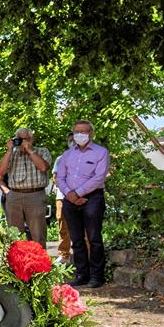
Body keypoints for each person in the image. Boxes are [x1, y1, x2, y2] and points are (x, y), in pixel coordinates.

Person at [55, 120, 110, 288]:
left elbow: (99, 177)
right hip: (69, 199)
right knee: (76, 240)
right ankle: (81, 274)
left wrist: (78, 193)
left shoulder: (101, 152)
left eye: (83, 131)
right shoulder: (67, 155)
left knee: (94, 238)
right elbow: (59, 177)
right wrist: (70, 194)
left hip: (92, 198)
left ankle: (96, 276)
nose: (79, 134)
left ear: (90, 134)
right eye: (76, 131)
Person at [0, 127, 51, 240]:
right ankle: (17, 257)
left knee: (38, 234)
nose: (22, 142)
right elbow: (0, 172)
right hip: (14, 196)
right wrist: (9, 151)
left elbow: (43, 167)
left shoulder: (42, 151)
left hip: (35, 195)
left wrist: (30, 151)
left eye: (25, 139)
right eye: (19, 139)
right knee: (14, 235)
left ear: (31, 139)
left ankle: (39, 257)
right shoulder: (12, 154)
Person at [52, 133, 75, 264]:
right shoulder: (61, 159)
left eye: (75, 140)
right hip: (62, 196)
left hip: (81, 196)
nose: (73, 142)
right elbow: (55, 177)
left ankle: (83, 255)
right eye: (70, 140)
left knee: (82, 227)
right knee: (63, 226)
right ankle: (64, 255)